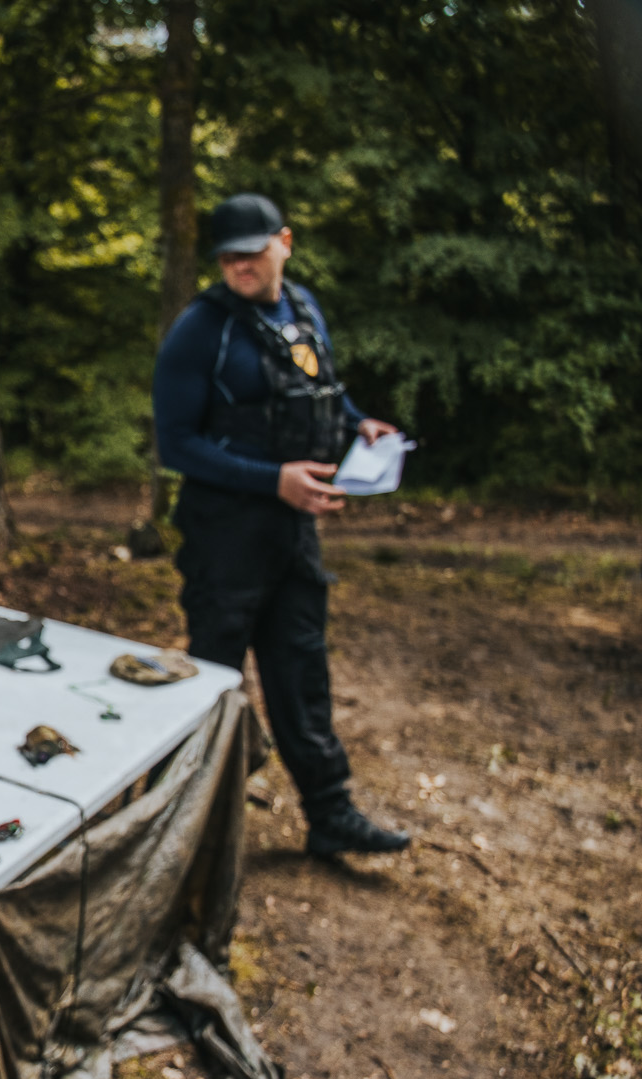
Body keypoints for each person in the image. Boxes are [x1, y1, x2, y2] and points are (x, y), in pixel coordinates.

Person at [152, 193, 412, 859]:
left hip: (294, 534)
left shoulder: (303, 310)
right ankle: (186, 826)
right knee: (214, 680)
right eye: (228, 255)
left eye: (252, 251)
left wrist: (357, 423)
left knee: (302, 669)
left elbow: (318, 384)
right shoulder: (201, 330)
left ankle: (331, 813)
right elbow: (175, 443)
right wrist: (273, 480)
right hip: (222, 536)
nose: (240, 264)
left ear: (284, 242)